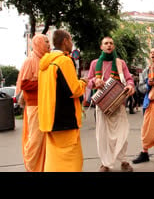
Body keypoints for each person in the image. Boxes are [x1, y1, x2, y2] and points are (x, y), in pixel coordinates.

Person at [38, 29, 87, 172]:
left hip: (49, 121)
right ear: (65, 41)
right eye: (71, 40)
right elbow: (74, 90)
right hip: (65, 121)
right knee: (72, 163)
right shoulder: (64, 61)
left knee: (54, 162)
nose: (72, 44)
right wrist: (83, 82)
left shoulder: (44, 64)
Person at [87, 36, 135, 172]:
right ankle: (105, 163)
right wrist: (95, 82)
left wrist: (130, 86)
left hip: (118, 103)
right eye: (106, 43)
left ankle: (124, 161)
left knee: (122, 134)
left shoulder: (120, 63)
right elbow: (89, 81)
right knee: (103, 135)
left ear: (113, 47)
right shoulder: (95, 63)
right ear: (101, 47)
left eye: (111, 43)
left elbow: (129, 79)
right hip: (102, 105)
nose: (109, 45)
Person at [15, 34, 50, 172]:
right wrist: (46, 82)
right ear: (39, 43)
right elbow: (25, 84)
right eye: (46, 42)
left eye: (49, 42)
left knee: (45, 140)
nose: (49, 44)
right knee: (35, 140)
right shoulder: (30, 60)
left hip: (46, 104)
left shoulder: (46, 60)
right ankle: (32, 168)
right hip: (34, 106)